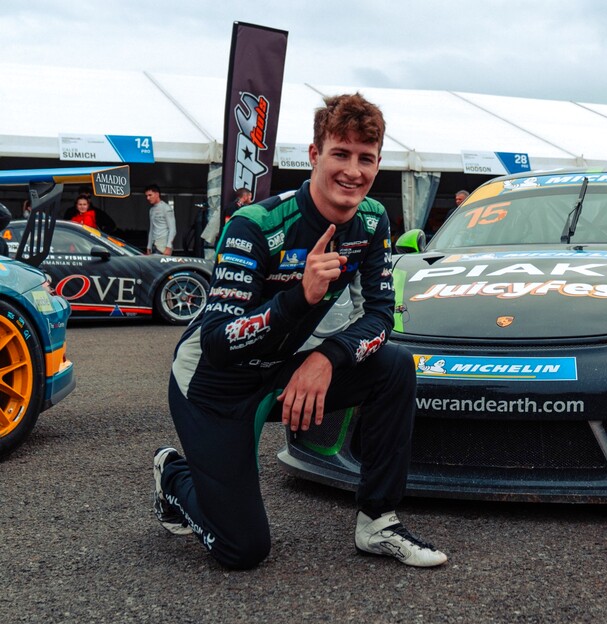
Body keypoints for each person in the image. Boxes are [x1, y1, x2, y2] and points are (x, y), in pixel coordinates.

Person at [150, 92, 447, 570]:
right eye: (341, 154)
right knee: (242, 550)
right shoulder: (255, 225)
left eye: (366, 158)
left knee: (394, 366)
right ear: (315, 155)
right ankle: (174, 477)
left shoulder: (372, 222)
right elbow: (217, 341)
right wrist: (298, 299)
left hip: (284, 367)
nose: (353, 171)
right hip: (213, 385)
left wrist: (326, 357)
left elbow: (380, 316)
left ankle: (378, 521)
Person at [145, 184, 176, 255]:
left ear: (157, 194)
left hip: (163, 247)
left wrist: (168, 247)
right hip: (154, 246)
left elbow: (173, 230)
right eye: (146, 196)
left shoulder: (166, 208)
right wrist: (148, 246)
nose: (148, 198)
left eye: (150, 195)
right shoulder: (151, 210)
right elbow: (151, 229)